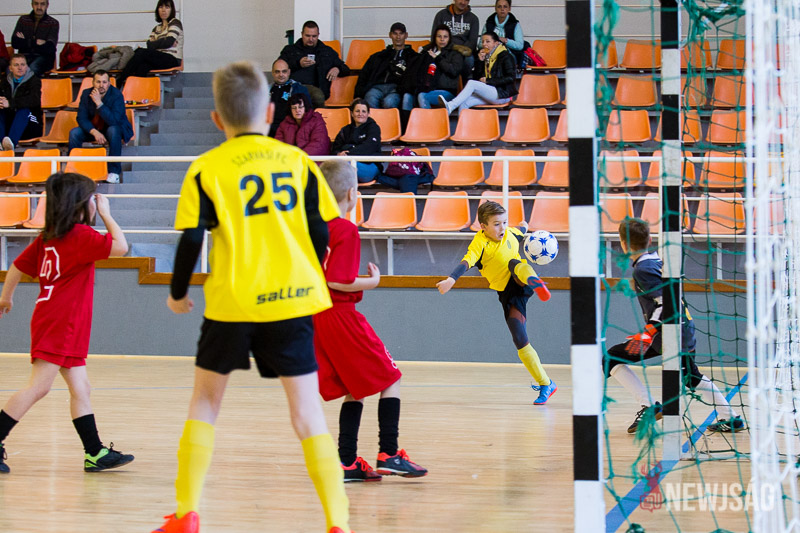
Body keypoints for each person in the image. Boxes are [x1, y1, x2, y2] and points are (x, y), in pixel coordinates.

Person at [150, 61, 352, 533]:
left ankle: (186, 513)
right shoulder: (298, 163)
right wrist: (307, 270)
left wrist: (178, 293)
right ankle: (338, 522)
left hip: (232, 301)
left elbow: (191, 239)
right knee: (307, 413)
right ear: (269, 112)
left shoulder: (206, 168)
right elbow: (322, 232)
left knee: (205, 402)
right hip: (293, 300)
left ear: (217, 119)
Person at [0, 172, 133, 475]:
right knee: (38, 388)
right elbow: (121, 246)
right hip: (61, 323)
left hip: (58, 321)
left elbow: (17, 267)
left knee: (81, 388)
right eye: (92, 199)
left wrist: (6, 298)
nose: (95, 203)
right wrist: (107, 214)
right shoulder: (80, 236)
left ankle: (94, 452)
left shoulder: (49, 236)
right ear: (80, 204)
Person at [314, 160, 428, 483]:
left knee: (356, 386)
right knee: (391, 377)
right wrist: (371, 282)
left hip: (317, 315)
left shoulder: (313, 228)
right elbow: (337, 280)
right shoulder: (345, 229)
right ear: (353, 193)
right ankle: (388, 453)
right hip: (341, 315)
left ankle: (347, 462)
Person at [606, 218, 745, 434]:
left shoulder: (643, 269)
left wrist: (649, 330)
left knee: (613, 359)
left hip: (671, 333)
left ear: (623, 244)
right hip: (677, 329)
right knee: (615, 358)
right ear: (649, 240)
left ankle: (651, 406)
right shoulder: (657, 261)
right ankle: (729, 417)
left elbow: (665, 302)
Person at [437, 201, 557, 405]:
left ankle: (535, 281)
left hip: (520, 280)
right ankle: (546, 383)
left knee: (515, 264)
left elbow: (520, 230)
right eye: (496, 224)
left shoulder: (510, 233)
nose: (502, 228)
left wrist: (524, 226)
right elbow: (466, 261)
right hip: (508, 294)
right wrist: (451, 279)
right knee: (519, 339)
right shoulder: (480, 244)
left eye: (504, 222)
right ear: (483, 226)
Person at [69, 70, 134, 184]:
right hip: (95, 129)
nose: (101, 85)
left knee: (114, 130)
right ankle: (74, 171)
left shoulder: (117, 95)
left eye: (104, 82)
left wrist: (99, 104)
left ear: (109, 83)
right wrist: (94, 132)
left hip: (112, 128)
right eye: (98, 82)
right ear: (93, 83)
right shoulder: (86, 94)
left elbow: (114, 121)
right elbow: (81, 118)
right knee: (74, 133)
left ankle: (114, 172)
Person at [440, 31, 517, 115]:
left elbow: (510, 78)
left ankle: (451, 105)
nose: (484, 44)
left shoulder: (506, 56)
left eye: (487, 41)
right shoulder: (485, 56)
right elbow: (477, 77)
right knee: (464, 103)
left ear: (496, 43)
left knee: (471, 83)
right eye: (482, 41)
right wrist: (480, 61)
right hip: (489, 92)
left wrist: (488, 81)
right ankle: (461, 123)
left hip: (502, 94)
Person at [280, 20, 351, 109]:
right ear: (302, 34)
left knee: (317, 96)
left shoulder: (327, 51)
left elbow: (346, 69)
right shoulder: (290, 50)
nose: (311, 39)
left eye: (314, 36)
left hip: (318, 90)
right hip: (294, 87)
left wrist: (337, 69)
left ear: (318, 35)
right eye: (307, 36)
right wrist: (298, 63)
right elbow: (279, 67)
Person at [117, 0, 183, 88]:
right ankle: (137, 91)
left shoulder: (175, 23)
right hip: (158, 58)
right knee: (142, 66)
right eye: (161, 7)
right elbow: (149, 45)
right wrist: (164, 41)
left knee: (140, 52)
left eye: (167, 7)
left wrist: (162, 42)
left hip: (172, 59)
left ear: (172, 10)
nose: (163, 10)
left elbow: (168, 42)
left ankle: (121, 80)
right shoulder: (156, 28)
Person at [354, 23, 416, 111]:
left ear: (406, 35)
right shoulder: (378, 56)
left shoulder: (413, 57)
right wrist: (357, 95)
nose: (398, 37)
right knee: (370, 98)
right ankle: (374, 121)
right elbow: (364, 75)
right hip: (376, 87)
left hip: (396, 89)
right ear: (390, 35)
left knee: (389, 102)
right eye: (395, 33)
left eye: (401, 33)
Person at [412, 24, 463, 109]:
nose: (442, 39)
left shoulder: (455, 53)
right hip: (427, 88)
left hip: (447, 91)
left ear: (449, 38)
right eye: (439, 36)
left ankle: (429, 118)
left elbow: (454, 71)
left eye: (445, 37)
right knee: (407, 96)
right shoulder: (427, 51)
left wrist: (437, 58)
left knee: (422, 96)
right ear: (435, 38)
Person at [331, 99, 382, 183]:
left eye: (364, 111)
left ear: (368, 114)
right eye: (357, 111)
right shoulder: (345, 130)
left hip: (369, 166)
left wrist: (348, 153)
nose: (360, 114)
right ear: (352, 113)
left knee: (342, 165)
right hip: (346, 163)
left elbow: (369, 147)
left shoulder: (373, 128)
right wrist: (339, 154)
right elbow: (335, 149)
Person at [0, 54, 43, 151]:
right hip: (10, 124)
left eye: (23, 64)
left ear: (27, 67)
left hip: (30, 124)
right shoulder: (4, 81)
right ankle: (1, 142)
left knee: (23, 110)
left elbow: (34, 100)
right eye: (16, 65)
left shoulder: (34, 81)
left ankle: (11, 144)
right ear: (10, 68)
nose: (20, 68)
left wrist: (10, 103)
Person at [430, 0, 479, 81]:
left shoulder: (473, 18)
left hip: (463, 52)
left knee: (469, 60)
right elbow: (434, 36)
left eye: (466, 0)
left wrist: (459, 51)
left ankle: (463, 83)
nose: (463, 2)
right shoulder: (441, 15)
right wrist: (449, 48)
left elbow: (472, 42)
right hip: (444, 49)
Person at [11, 0, 59, 76]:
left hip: (44, 58)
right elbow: (15, 43)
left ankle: (25, 84)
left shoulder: (53, 23)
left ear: (47, 5)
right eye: (36, 4)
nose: (39, 7)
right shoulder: (23, 20)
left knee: (32, 68)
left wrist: (25, 41)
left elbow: (50, 47)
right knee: (10, 70)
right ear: (32, 5)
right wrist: (37, 42)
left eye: (42, 4)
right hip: (24, 57)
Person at [268, 58, 310, 137]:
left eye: (284, 71)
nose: (281, 74)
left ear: (289, 72)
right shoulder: (265, 90)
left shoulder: (299, 89)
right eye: (277, 72)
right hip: (268, 129)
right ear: (272, 73)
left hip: (291, 130)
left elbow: (307, 114)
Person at [481, 0, 527, 67]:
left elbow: (520, 45)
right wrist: (490, 44)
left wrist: (506, 41)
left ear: (509, 8)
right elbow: (480, 44)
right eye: (499, 7)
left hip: (509, 53)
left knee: (505, 59)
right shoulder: (489, 23)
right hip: (490, 53)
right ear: (495, 8)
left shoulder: (515, 24)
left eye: (505, 7)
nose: (502, 9)